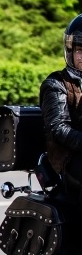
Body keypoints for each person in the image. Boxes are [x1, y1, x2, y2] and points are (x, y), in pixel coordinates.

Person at [40, 14, 82, 199]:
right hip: (68, 159)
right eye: (80, 50)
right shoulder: (56, 84)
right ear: (70, 51)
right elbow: (58, 128)